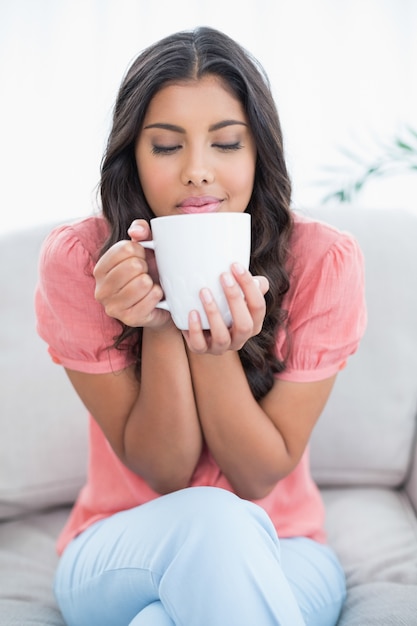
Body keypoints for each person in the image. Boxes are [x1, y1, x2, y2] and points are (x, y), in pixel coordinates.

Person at [35, 26, 367, 626]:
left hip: (285, 542)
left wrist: (215, 348)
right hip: (122, 541)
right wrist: (160, 323)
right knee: (213, 517)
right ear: (132, 157)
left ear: (258, 151)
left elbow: (259, 474)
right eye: (166, 147)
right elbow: (164, 471)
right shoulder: (81, 261)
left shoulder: (322, 262)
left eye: (227, 143)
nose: (197, 171)